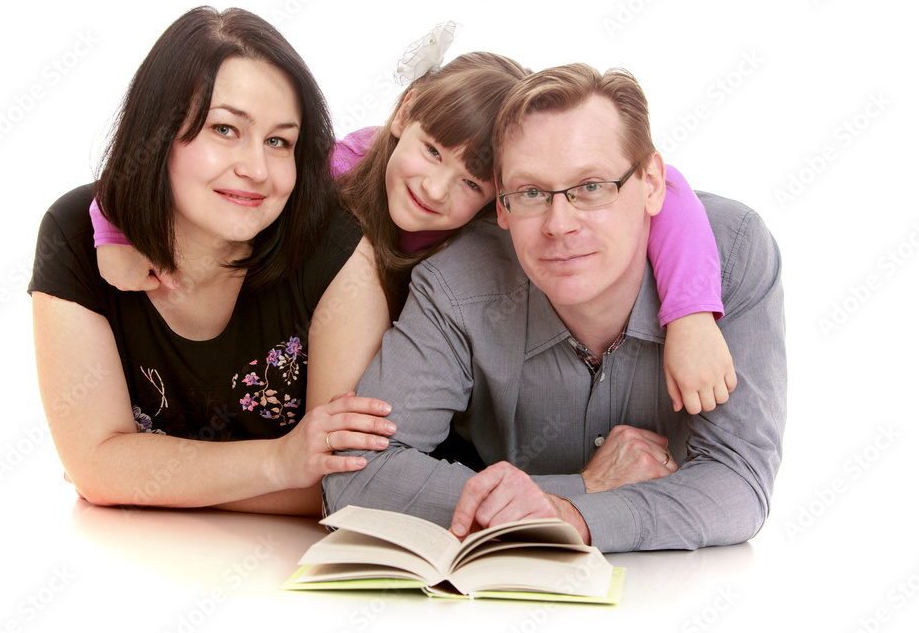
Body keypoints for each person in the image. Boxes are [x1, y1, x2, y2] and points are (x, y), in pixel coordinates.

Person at [92, 28, 737, 417]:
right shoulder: (342, 164)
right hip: (293, 379)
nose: (434, 188)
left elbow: (668, 187)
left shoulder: (501, 221)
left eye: (471, 182)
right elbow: (154, 170)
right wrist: (114, 232)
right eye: (431, 150)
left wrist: (690, 317)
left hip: (413, 396)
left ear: (499, 197)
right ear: (404, 111)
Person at [323, 63, 787, 552]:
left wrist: (571, 516)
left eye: (591, 187)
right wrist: (574, 496)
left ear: (652, 183)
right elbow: (358, 474)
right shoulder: (454, 282)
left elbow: (739, 480)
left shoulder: (734, 253)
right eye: (531, 193)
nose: (559, 225)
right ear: (501, 205)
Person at [28, 6, 396, 515]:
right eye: (224, 129)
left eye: (278, 141)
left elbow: (344, 480)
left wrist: (138, 477)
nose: (256, 170)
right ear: (157, 134)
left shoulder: (337, 249)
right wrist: (279, 463)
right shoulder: (76, 236)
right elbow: (96, 466)